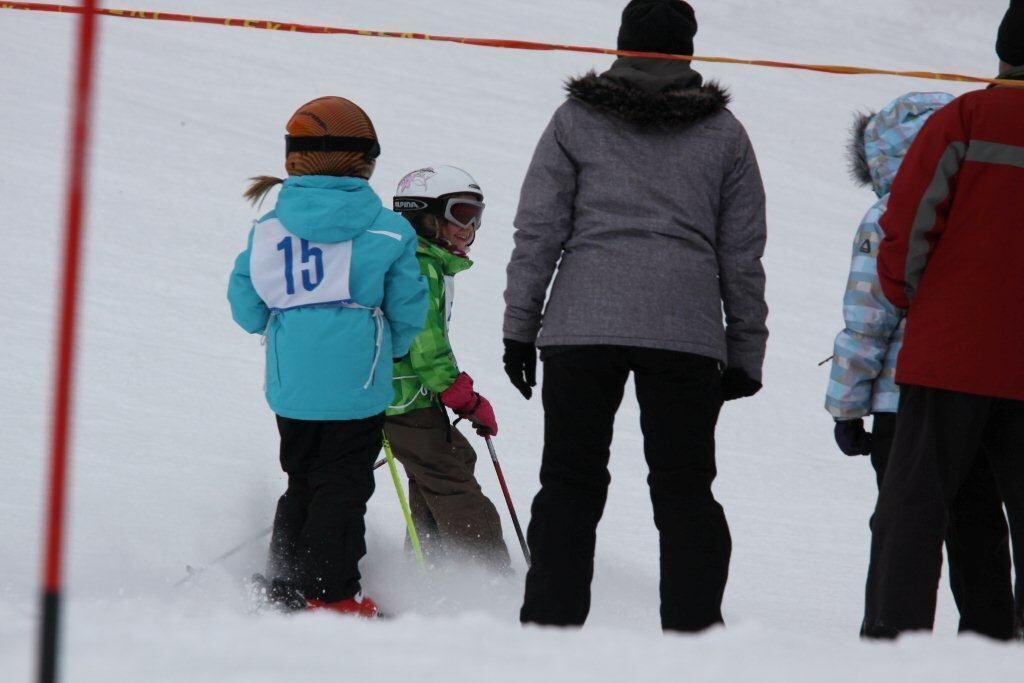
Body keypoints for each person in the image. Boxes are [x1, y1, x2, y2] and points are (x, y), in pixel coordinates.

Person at [503, 0, 768, 632]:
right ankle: (694, 636)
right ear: (689, 51)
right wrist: (745, 348)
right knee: (684, 491)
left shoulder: (574, 120)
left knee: (569, 483)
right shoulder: (724, 133)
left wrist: (520, 326)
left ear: (621, 45)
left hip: (580, 327)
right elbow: (742, 252)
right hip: (686, 332)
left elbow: (539, 231)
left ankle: (549, 629)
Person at [227, 96, 428, 617]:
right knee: (344, 485)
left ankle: (286, 579)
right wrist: (390, 352)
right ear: (365, 161)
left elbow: (247, 307)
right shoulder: (389, 229)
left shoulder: (269, 228)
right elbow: (408, 310)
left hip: (290, 383)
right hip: (358, 383)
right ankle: (332, 592)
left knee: (302, 476)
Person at [862, 2, 1024, 639]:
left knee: (914, 507)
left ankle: (892, 641)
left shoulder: (963, 118)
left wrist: (906, 297)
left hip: (950, 352)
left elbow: (907, 222)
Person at [826, 92, 1015, 639]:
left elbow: (868, 316)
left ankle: (892, 642)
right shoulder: (982, 202)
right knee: (976, 520)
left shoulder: (889, 215)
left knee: (903, 522)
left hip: (903, 399)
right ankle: (992, 640)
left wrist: (845, 404)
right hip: (981, 386)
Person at [385, 165, 512, 571]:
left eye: (477, 215)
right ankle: (488, 578)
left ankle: (434, 565)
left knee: (450, 462)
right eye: (460, 213)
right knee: (452, 479)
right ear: (422, 214)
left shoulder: (421, 261)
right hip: (401, 400)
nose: (470, 227)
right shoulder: (420, 266)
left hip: (403, 395)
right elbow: (425, 345)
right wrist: (462, 395)